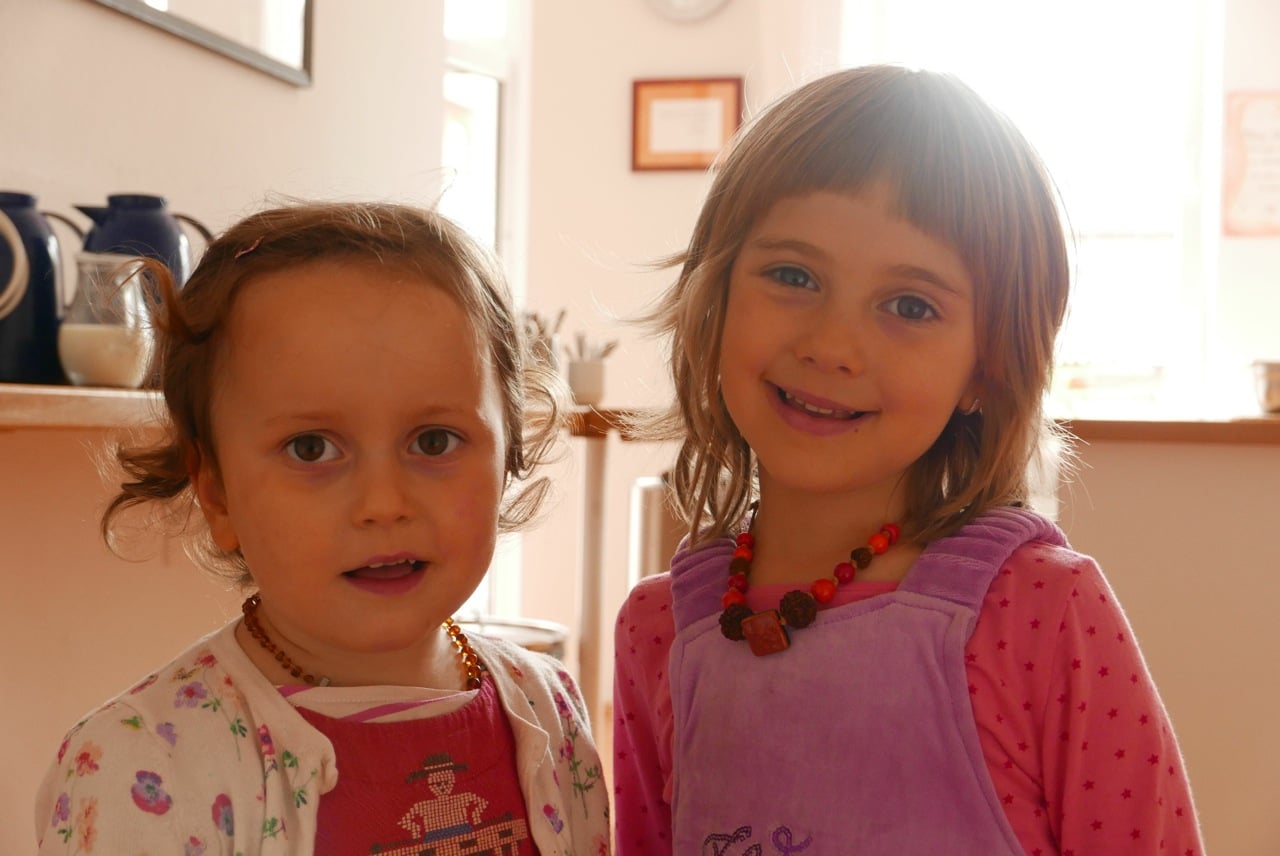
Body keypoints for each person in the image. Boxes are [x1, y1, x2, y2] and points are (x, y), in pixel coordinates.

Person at [612, 65, 1204, 855]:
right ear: (714, 295)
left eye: (910, 306)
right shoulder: (657, 630)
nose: (832, 345)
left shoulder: (1041, 611)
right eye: (793, 276)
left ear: (987, 369)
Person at [34, 202, 611, 854]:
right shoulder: (139, 768)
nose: (383, 503)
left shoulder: (549, 709)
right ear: (216, 491)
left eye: (434, 440)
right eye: (311, 449)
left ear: (510, 455)